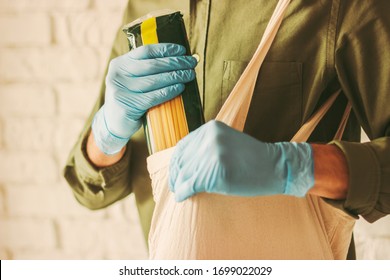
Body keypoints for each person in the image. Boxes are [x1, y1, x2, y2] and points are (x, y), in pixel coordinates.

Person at [64, 0, 390, 259]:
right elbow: (88, 189)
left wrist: (291, 166)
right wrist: (107, 133)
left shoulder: (339, 5)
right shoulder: (144, 6)